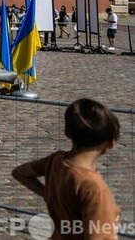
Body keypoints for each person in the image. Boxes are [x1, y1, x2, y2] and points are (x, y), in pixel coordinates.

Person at [12, 98, 120, 238]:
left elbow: (20, 173)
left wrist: (48, 193)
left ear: (67, 132)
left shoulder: (55, 161)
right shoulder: (94, 188)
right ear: (110, 143)